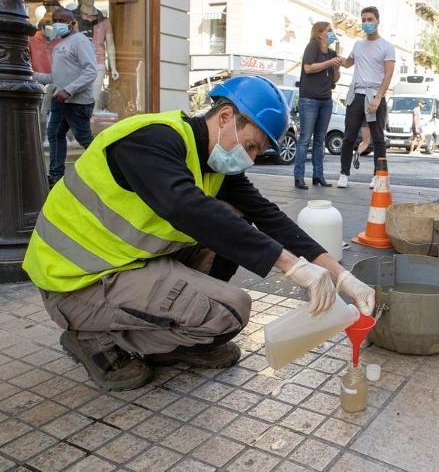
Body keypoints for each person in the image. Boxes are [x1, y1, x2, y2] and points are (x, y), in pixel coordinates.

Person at [22, 75, 376, 391]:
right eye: (251, 145)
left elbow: (268, 217)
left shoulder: (211, 162)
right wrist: (292, 267)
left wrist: (342, 277)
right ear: (225, 118)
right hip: (75, 283)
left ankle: (180, 333)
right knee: (230, 311)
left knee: (234, 216)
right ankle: (92, 336)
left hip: (122, 263)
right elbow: (185, 207)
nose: (250, 157)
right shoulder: (151, 140)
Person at [32, 8, 98, 187]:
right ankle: (55, 175)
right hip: (60, 101)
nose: (57, 23)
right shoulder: (60, 43)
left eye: (62, 20)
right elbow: (57, 76)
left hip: (76, 102)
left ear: (73, 23)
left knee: (85, 140)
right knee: (55, 134)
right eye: (55, 20)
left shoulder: (80, 41)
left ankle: (110, 167)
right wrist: (34, 75)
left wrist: (68, 90)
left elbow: (91, 71)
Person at [337, 6, 396, 188]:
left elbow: (388, 74)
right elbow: (348, 63)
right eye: (363, 20)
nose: (366, 23)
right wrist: (334, 56)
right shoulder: (358, 44)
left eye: (370, 19)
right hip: (356, 95)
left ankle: (378, 176)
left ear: (378, 21)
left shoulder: (387, 46)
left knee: (378, 138)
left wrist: (378, 98)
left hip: (374, 95)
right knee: (349, 137)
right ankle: (344, 174)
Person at [293, 21, 343, 189]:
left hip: (326, 100)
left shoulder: (332, 52)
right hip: (309, 99)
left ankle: (318, 176)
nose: (332, 33)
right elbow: (308, 68)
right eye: (329, 30)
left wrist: (336, 67)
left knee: (320, 140)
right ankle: (299, 177)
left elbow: (335, 79)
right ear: (320, 33)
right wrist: (330, 63)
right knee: (305, 139)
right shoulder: (312, 46)